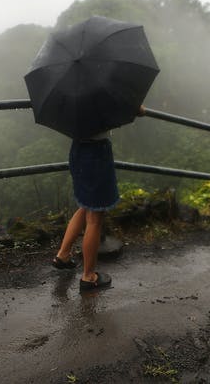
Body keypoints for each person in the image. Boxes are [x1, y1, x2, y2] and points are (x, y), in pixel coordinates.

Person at [52, 105, 146, 291]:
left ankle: (63, 255)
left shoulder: (74, 94)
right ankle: (89, 277)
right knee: (95, 217)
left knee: (85, 205)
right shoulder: (100, 96)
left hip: (78, 150)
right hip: (96, 153)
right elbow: (114, 118)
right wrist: (134, 109)